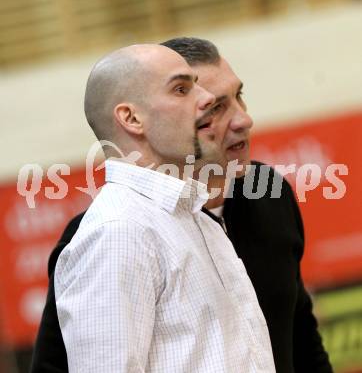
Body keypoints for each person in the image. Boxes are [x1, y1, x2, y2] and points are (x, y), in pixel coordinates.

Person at [31, 38, 333, 372]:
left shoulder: (244, 199)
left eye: (238, 97)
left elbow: (296, 339)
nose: (242, 120)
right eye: (184, 91)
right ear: (132, 118)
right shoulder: (115, 233)